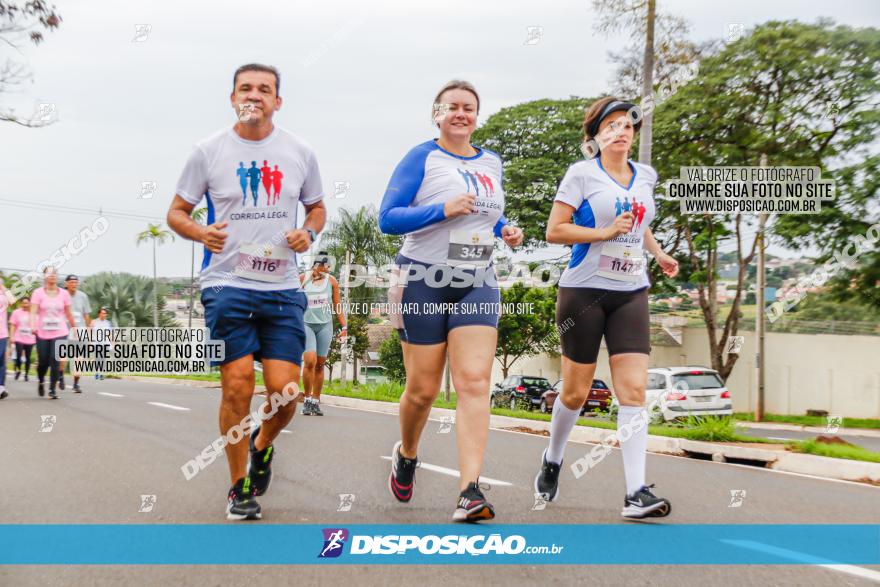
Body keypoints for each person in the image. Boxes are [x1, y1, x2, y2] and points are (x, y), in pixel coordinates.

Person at [167, 63, 326, 521]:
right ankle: (238, 489)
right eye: (246, 88)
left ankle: (261, 445)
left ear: (278, 100)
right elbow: (177, 212)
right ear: (232, 96)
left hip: (280, 287)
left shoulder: (300, 151)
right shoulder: (208, 151)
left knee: (287, 392)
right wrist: (201, 232)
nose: (254, 95)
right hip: (226, 284)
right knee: (237, 387)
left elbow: (316, 208)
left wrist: (307, 233)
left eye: (265, 89)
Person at [379, 80, 524, 522]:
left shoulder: (492, 162)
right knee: (422, 391)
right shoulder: (422, 156)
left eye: (469, 108)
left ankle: (470, 491)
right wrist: (439, 210)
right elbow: (388, 218)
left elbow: (487, 216)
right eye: (452, 107)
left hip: (477, 278)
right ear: (437, 114)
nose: (461, 113)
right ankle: (407, 453)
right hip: (421, 278)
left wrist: (506, 230)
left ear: (477, 115)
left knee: (475, 382)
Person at [534, 97, 679, 519]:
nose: (620, 131)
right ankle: (553, 457)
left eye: (627, 126)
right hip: (584, 292)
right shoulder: (580, 175)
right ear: (596, 137)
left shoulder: (645, 176)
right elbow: (554, 231)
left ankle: (636, 492)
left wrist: (659, 252)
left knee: (633, 390)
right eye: (610, 126)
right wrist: (601, 232)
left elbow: (639, 221)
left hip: (631, 291)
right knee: (576, 393)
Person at [299, 251, 345, 416]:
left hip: (325, 325)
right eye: (322, 266)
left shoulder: (331, 281)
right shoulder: (303, 279)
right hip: (306, 324)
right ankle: (306, 398)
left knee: (319, 364)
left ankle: (315, 401)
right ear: (315, 265)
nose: (324, 270)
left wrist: (344, 327)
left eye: (326, 267)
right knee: (309, 361)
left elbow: (337, 305)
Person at [30, 266, 76, 399]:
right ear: (44, 276)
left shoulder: (64, 294)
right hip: (42, 332)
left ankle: (52, 390)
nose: (52, 275)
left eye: (54, 273)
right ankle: (41, 380)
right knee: (43, 361)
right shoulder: (37, 293)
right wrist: (33, 325)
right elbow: (33, 312)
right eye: (49, 273)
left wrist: (75, 328)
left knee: (55, 360)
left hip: (60, 331)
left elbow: (69, 314)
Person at [62, 274, 91, 393]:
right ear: (66, 284)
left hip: (80, 330)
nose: (74, 284)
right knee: (62, 358)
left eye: (75, 282)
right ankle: (60, 376)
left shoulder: (83, 296)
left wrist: (88, 332)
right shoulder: (62, 295)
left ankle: (76, 384)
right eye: (71, 282)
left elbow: (86, 315)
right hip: (64, 330)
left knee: (79, 359)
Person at [10, 296, 36, 384]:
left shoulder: (33, 314)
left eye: (27, 303)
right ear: (21, 304)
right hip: (19, 338)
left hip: (30, 339)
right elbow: (13, 325)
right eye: (23, 303)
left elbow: (36, 326)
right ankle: (18, 370)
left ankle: (26, 374)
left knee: (28, 358)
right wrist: (12, 336)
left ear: (30, 304)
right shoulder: (16, 313)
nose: (25, 305)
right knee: (18, 355)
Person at [91, 307, 113, 380]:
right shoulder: (93, 322)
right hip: (96, 343)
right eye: (102, 313)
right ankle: (97, 372)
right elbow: (90, 332)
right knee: (98, 358)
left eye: (105, 313)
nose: (104, 315)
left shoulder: (108, 323)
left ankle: (101, 373)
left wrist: (112, 343)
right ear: (99, 314)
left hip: (105, 343)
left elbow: (110, 334)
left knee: (103, 359)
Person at [0, 282, 11, 399]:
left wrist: (2, 287)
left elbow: (12, 300)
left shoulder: (3, 295)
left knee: (1, 360)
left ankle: (1, 387)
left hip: (2, 333)